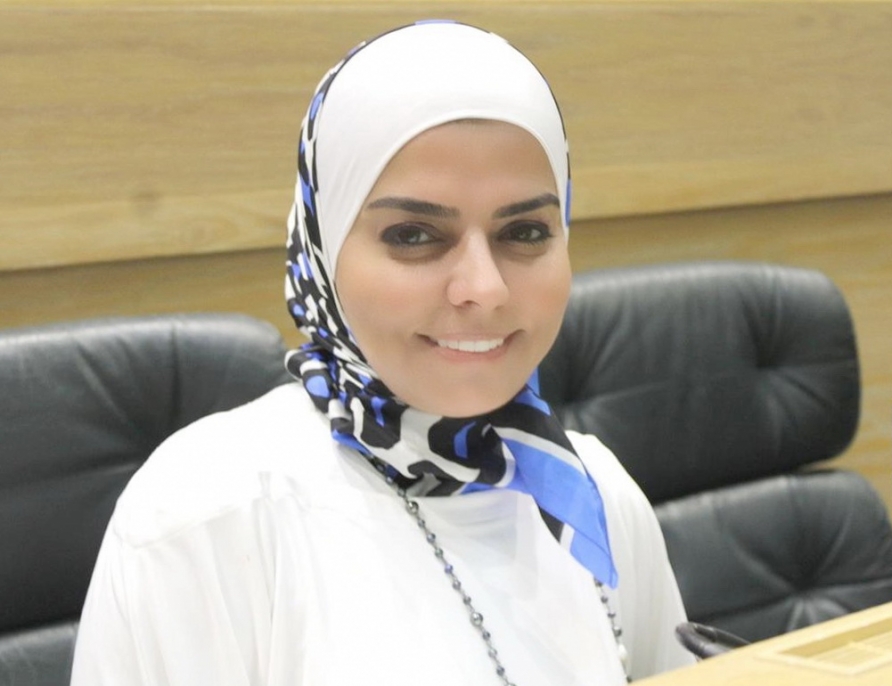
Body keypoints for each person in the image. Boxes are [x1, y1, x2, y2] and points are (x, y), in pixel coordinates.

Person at [70, 21, 694, 686]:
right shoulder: (207, 513)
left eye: (525, 231)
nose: (483, 288)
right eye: (414, 235)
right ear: (323, 250)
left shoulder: (595, 493)